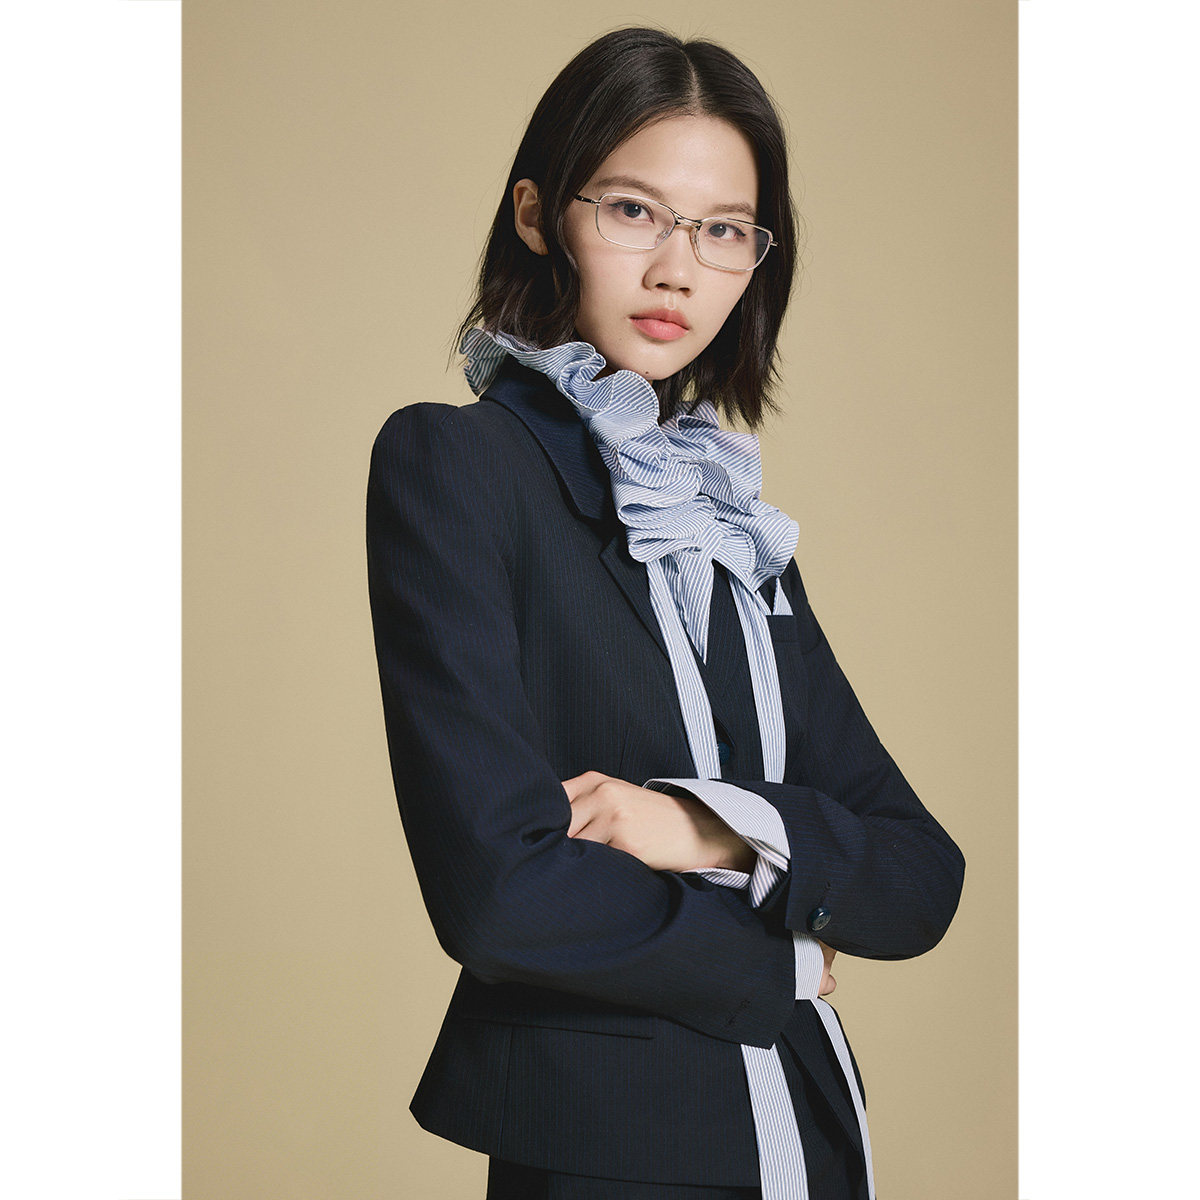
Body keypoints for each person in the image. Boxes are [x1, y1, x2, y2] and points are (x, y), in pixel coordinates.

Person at [365, 26, 965, 1200]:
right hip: (608, 1152)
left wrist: (709, 829)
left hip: (808, 1137)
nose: (679, 271)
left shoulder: (730, 522)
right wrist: (781, 956)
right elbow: (500, 893)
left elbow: (918, 876)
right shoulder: (458, 466)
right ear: (539, 215)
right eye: (635, 211)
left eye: (724, 230)